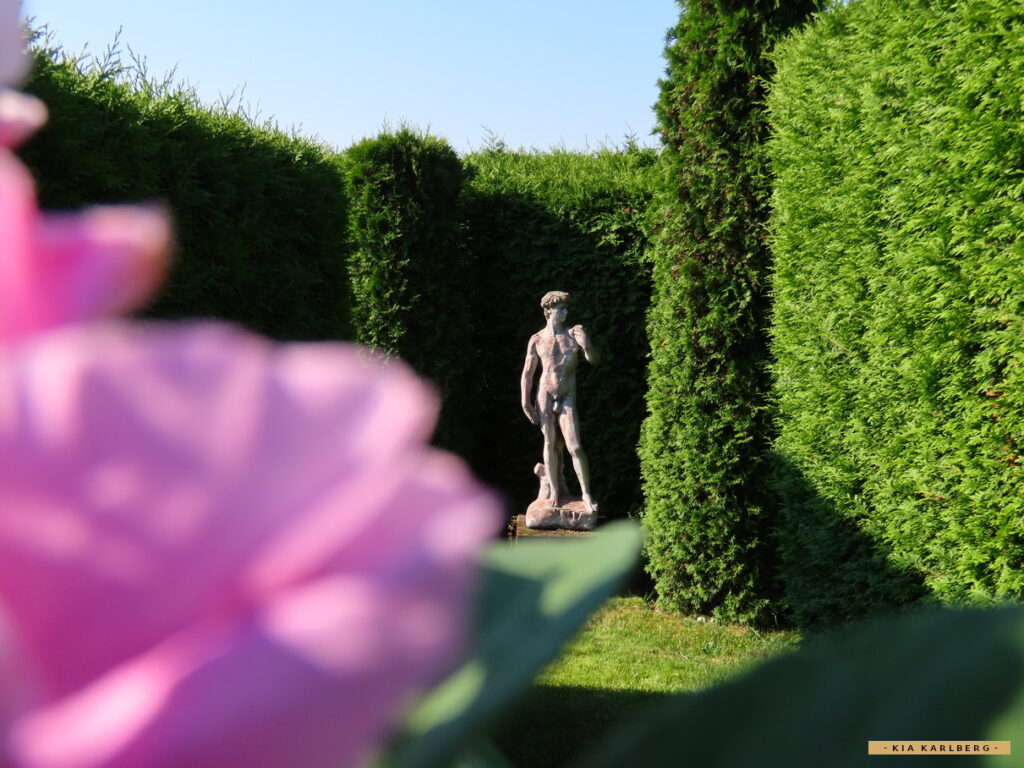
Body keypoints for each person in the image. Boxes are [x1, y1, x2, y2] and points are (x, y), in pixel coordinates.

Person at [520, 290, 599, 512]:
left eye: (566, 308)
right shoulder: (537, 339)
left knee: (575, 446)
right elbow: (528, 374)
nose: (565, 312)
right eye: (560, 308)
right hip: (544, 394)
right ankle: (554, 491)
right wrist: (525, 402)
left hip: (567, 396)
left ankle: (586, 494)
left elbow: (594, 360)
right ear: (548, 311)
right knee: (549, 443)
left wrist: (586, 344)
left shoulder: (573, 335)